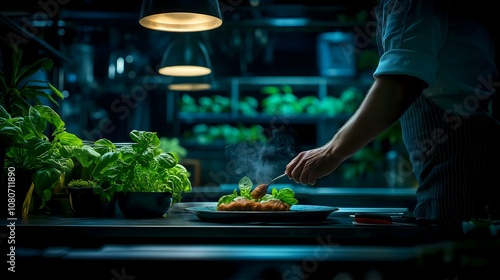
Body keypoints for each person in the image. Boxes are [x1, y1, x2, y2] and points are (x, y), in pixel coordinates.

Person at [285, 0, 500, 229]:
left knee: (455, 249)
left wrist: (331, 153)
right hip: (451, 154)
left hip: (460, 154)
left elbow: (400, 84)